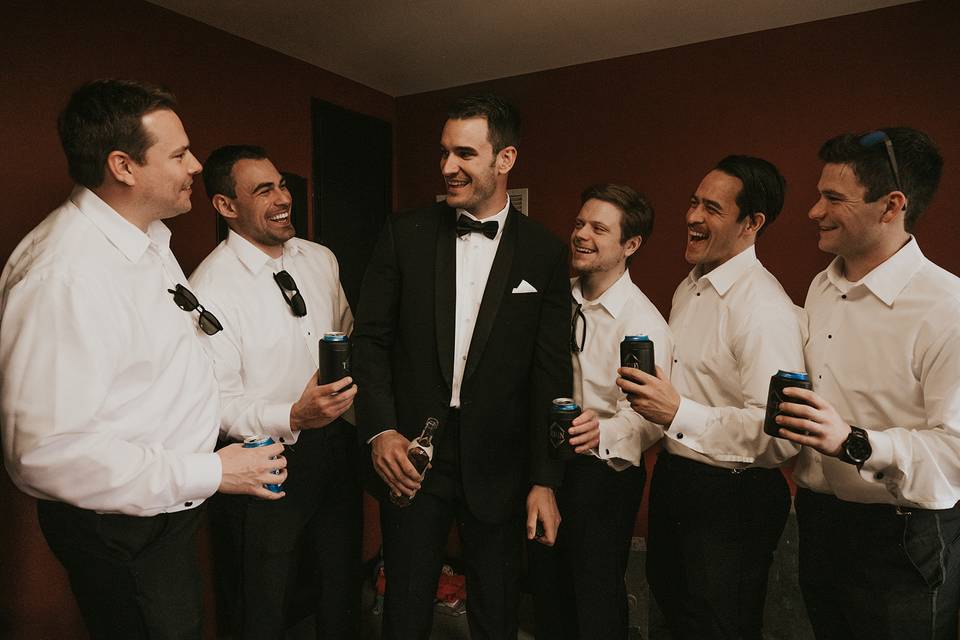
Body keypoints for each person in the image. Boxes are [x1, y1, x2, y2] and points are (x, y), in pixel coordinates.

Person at [0, 79, 285, 640]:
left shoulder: (149, 240)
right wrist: (212, 471)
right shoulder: (65, 275)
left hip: (165, 507)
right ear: (124, 167)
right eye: (179, 154)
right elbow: (44, 453)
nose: (197, 166)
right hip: (121, 530)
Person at [351, 94, 571, 640]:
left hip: (500, 463)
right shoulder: (405, 234)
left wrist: (545, 479)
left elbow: (550, 373)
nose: (448, 167)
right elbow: (370, 342)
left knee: (496, 614)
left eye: (465, 154)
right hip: (410, 455)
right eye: (444, 152)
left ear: (505, 160)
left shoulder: (543, 252)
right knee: (402, 608)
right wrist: (379, 430)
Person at [776, 128, 960, 640]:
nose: (813, 211)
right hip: (819, 522)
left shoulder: (948, 308)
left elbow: (955, 452)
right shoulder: (821, 286)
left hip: (903, 539)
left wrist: (854, 442)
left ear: (891, 206)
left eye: (833, 198)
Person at [618, 156, 803, 639]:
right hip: (678, 481)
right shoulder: (690, 288)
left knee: (721, 628)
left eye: (712, 208)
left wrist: (679, 412)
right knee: (673, 617)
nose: (692, 217)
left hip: (734, 501)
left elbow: (780, 438)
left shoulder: (764, 309)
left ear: (752, 223)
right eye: (694, 202)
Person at [189, 145, 360, 639]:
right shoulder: (209, 286)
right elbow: (215, 402)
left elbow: (346, 332)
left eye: (282, 184)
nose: (283, 197)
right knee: (261, 596)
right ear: (226, 207)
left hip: (336, 449)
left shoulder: (320, 259)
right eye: (264, 190)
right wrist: (293, 414)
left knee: (340, 581)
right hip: (264, 463)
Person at [529, 184, 673, 639]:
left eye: (598, 229)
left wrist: (602, 432)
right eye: (579, 223)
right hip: (546, 465)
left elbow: (650, 417)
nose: (581, 235)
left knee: (594, 596)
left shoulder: (644, 323)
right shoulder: (556, 298)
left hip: (603, 476)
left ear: (630, 245)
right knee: (546, 591)